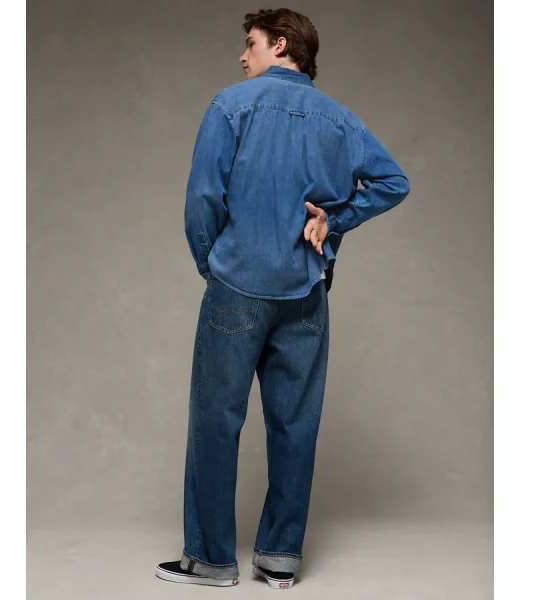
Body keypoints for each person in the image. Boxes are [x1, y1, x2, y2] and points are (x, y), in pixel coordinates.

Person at [155, 7, 410, 589]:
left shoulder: (230, 105)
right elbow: (394, 182)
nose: (242, 55)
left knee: (216, 421)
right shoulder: (341, 120)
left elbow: (202, 198)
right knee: (296, 424)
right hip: (306, 292)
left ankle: (211, 560)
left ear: (280, 44)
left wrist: (213, 263)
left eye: (251, 43)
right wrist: (335, 219)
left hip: (238, 287)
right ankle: (279, 558)